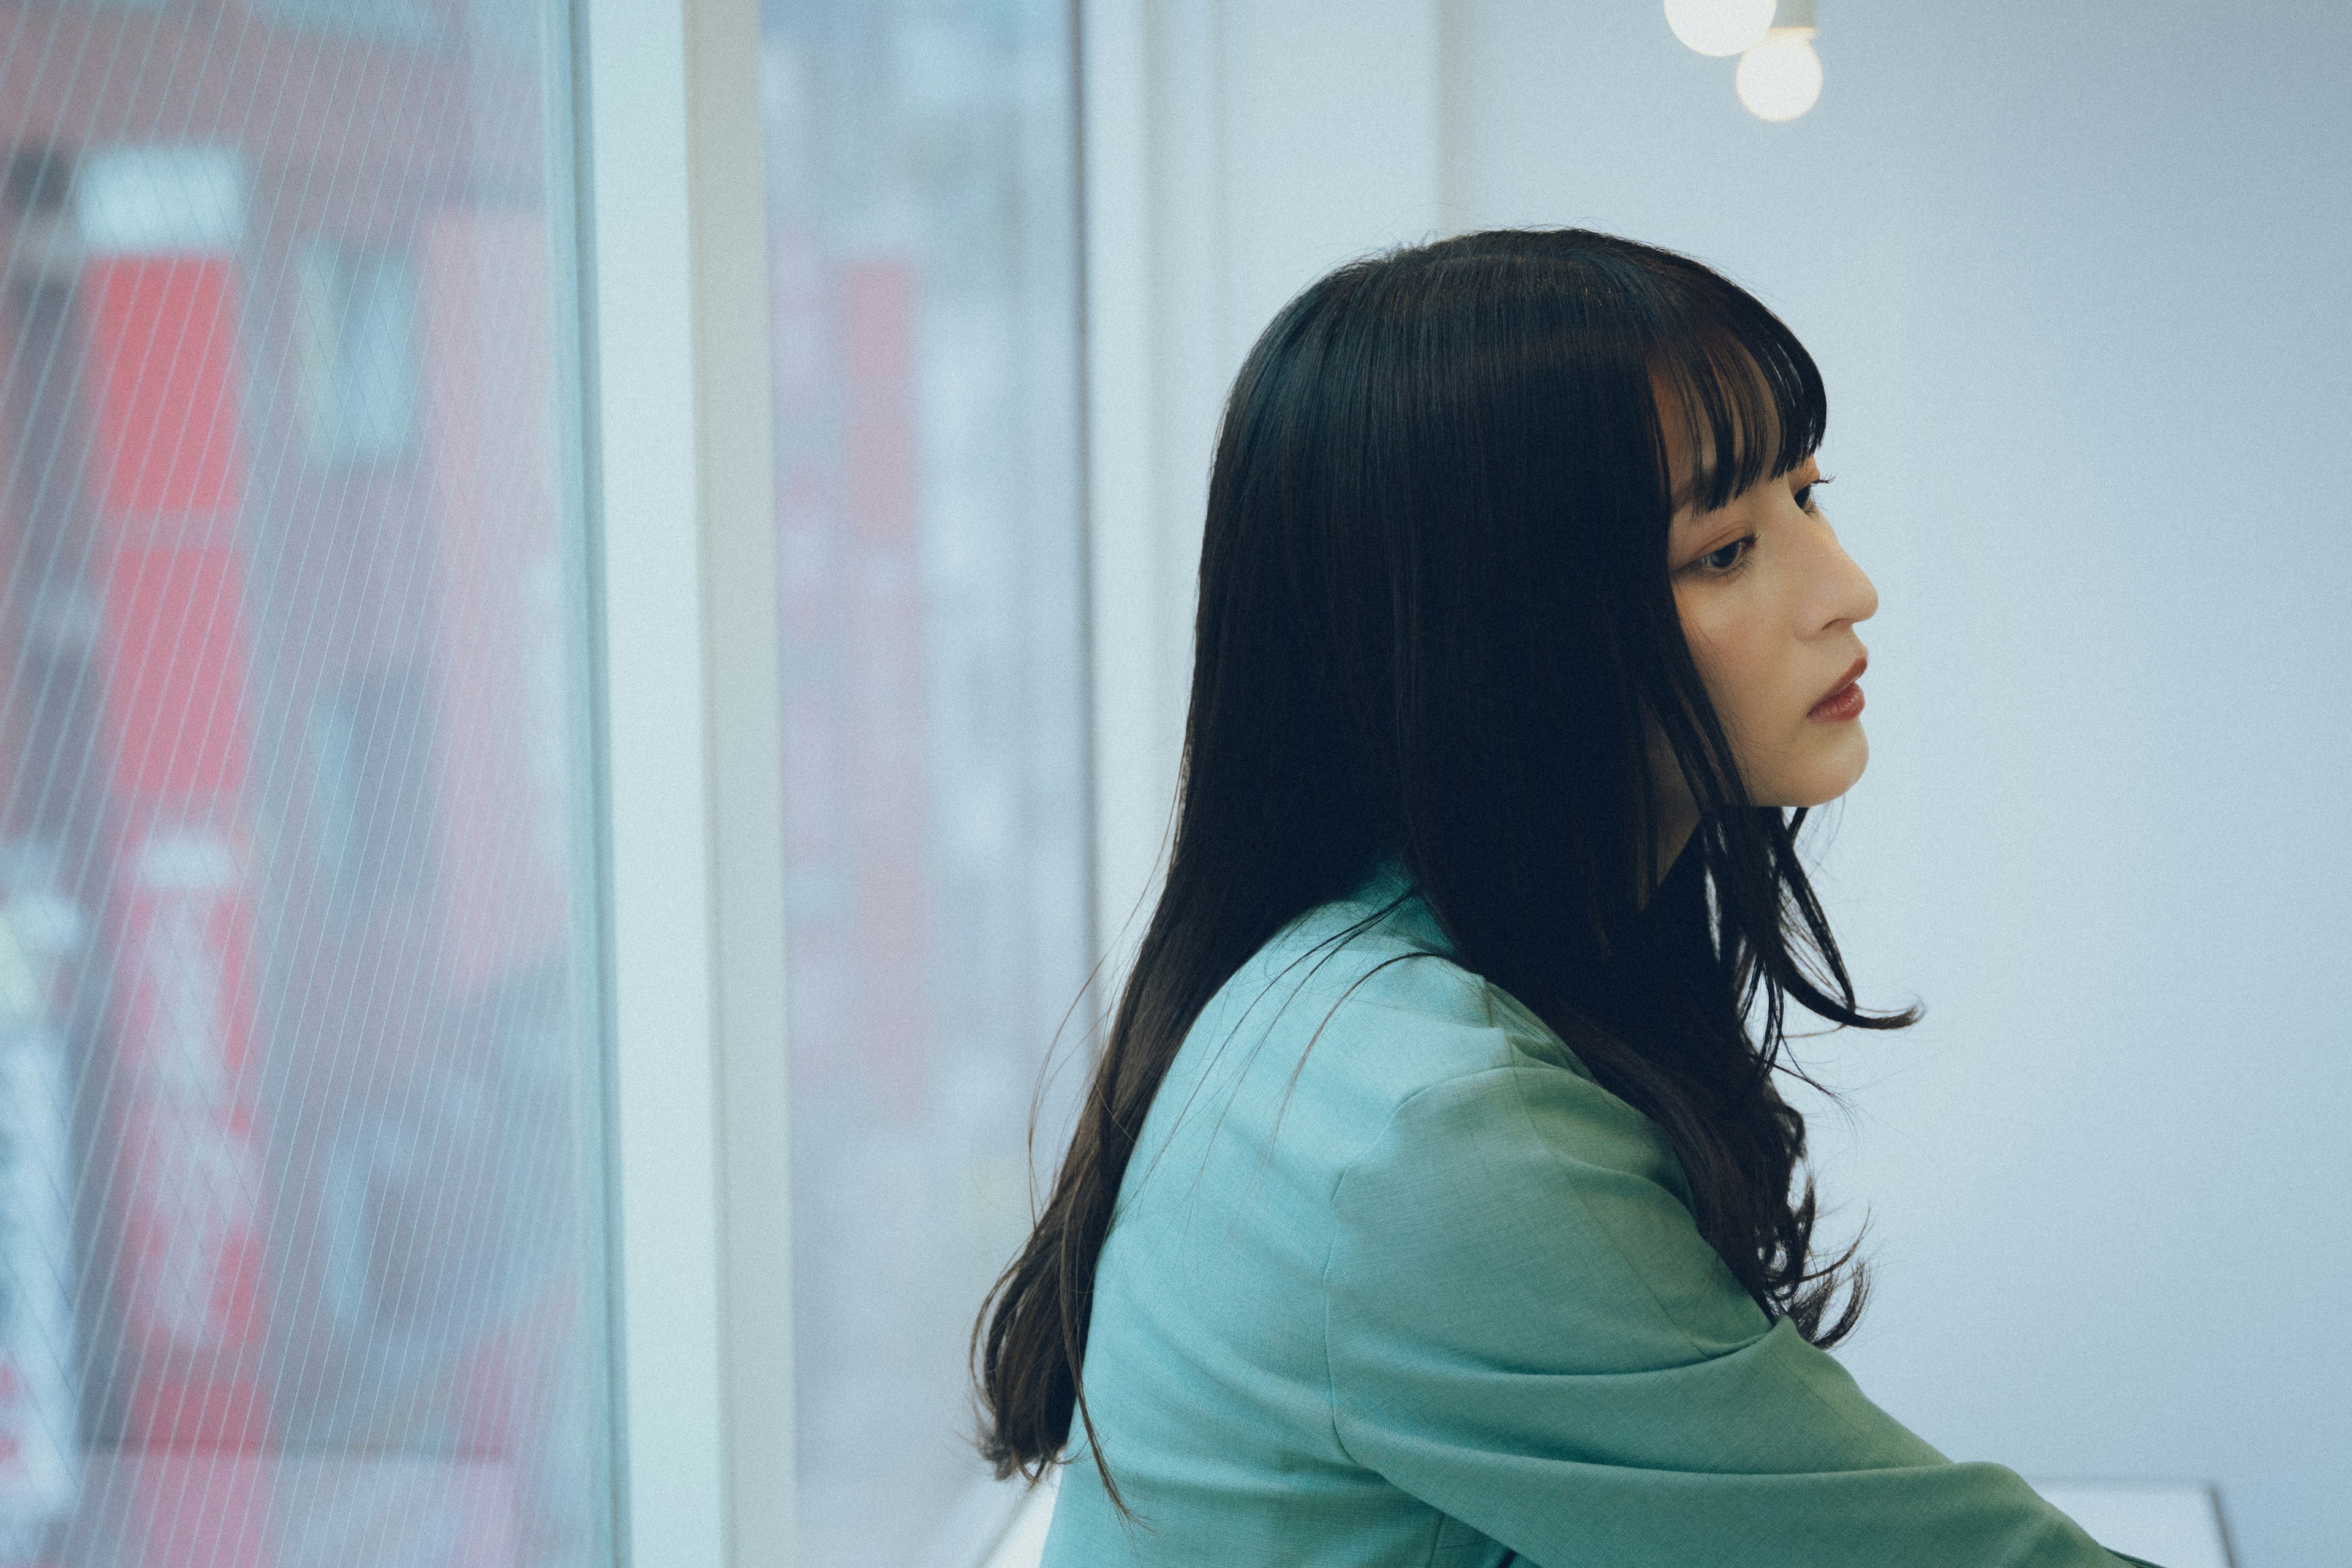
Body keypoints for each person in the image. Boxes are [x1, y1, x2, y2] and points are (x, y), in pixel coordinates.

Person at [973, 228, 2162, 1567]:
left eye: (1810, 496)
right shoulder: (1433, 1128)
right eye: (1722, 550)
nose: (1847, 590)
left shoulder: (1345, 977)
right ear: (1492, 640)